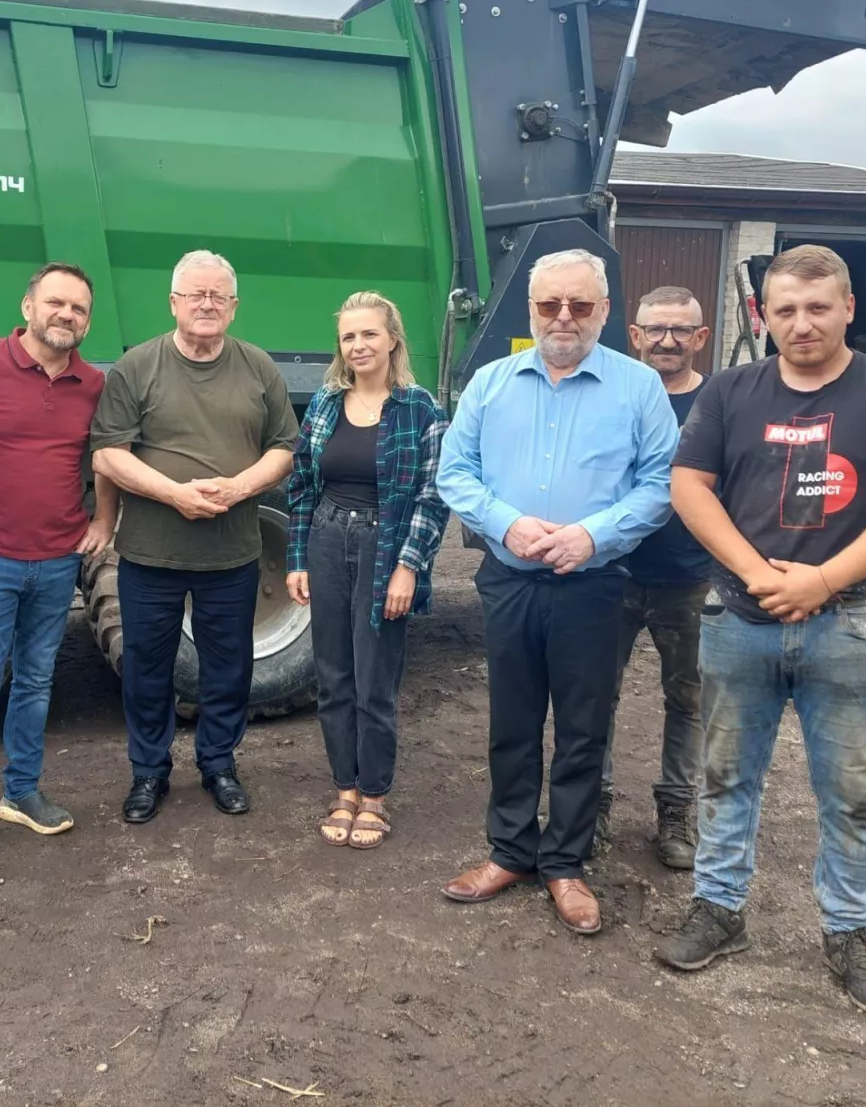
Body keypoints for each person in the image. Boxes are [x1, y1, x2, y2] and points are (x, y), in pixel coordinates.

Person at [656, 245, 866, 1016]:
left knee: (850, 792)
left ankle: (847, 932)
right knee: (725, 779)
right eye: (785, 310)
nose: (801, 323)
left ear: (847, 307)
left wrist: (822, 580)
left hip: (850, 623)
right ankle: (719, 910)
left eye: (817, 307)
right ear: (763, 315)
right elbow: (689, 486)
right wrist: (755, 574)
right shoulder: (733, 391)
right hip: (740, 623)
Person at [436, 249, 678, 935]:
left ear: (605, 310)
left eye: (580, 305)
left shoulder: (638, 389)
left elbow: (662, 484)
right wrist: (505, 525)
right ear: (531, 310)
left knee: (581, 731)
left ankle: (565, 864)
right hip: (510, 580)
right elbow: (456, 472)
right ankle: (510, 851)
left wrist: (591, 536)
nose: (564, 317)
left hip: (593, 585)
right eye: (550, 305)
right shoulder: (490, 383)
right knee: (511, 724)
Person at [90, 250, 299, 823]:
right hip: (151, 556)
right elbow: (108, 452)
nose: (207, 304)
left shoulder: (258, 367)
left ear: (233, 307)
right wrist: (173, 494)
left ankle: (219, 765)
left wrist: (236, 490)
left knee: (228, 668)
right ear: (174, 303)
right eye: (195, 294)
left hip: (231, 555)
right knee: (146, 668)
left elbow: (284, 447)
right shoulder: (138, 367)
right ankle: (149, 772)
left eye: (219, 296)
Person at [0, 263, 119, 861]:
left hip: (58, 560)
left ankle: (22, 794)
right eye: (56, 303)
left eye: (79, 309)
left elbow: (107, 459)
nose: (67, 315)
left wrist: (102, 521)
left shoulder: (93, 384)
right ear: (28, 306)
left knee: (36, 683)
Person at [285, 291, 450, 850]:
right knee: (332, 677)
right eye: (349, 336)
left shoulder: (419, 408)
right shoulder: (327, 404)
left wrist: (409, 567)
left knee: (374, 680)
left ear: (392, 340)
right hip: (329, 539)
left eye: (369, 334)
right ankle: (344, 789)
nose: (358, 345)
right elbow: (303, 484)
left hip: (386, 543)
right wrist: (297, 558)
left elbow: (433, 496)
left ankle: (375, 796)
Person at [596, 286, 712, 869]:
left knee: (687, 701)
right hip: (609, 573)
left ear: (701, 338)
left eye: (681, 330)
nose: (668, 341)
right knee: (596, 696)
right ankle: (593, 807)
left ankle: (675, 812)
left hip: (687, 579)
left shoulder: (718, 403)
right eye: (656, 329)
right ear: (635, 335)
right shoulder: (610, 394)